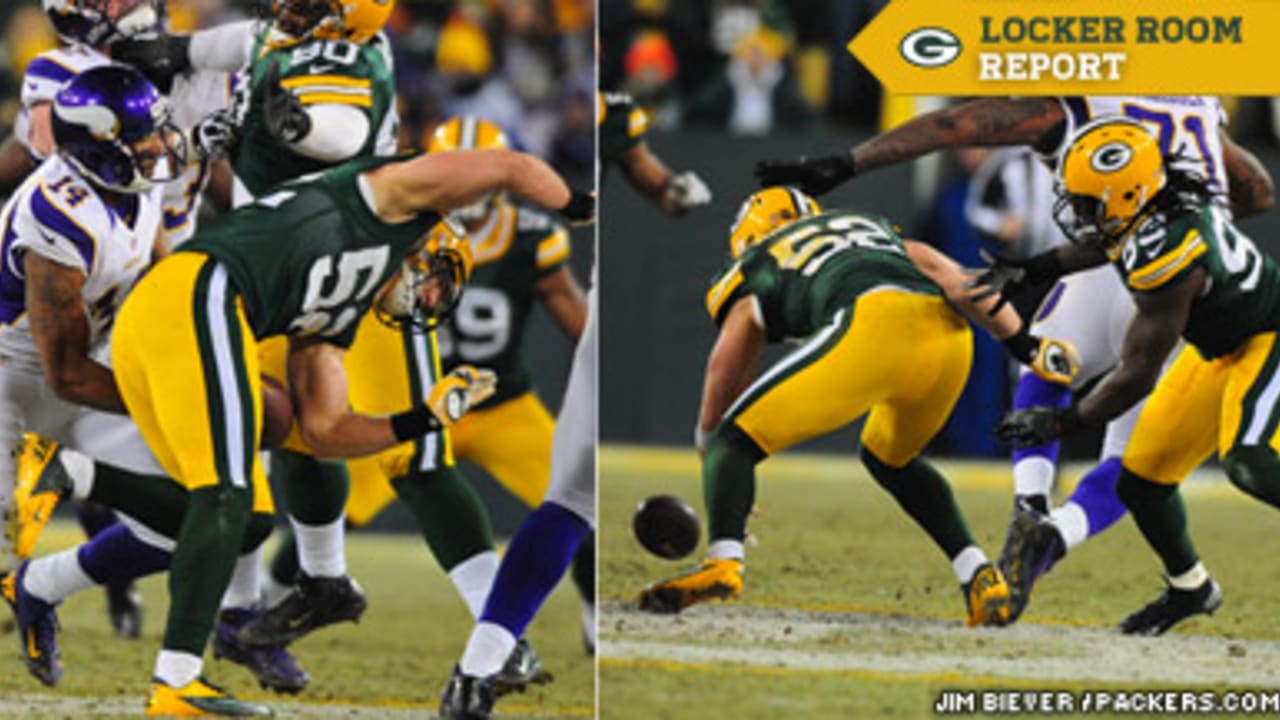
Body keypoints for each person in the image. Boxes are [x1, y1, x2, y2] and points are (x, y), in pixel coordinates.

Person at [15, 142, 592, 716]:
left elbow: (323, 433)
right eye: (437, 278)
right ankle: (176, 684)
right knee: (226, 494)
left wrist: (424, 417)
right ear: (426, 245)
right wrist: (575, 203)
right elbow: (510, 165)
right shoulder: (389, 200)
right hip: (200, 293)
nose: (432, 296)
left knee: (244, 520)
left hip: (186, 312)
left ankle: (65, 502)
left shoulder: (341, 312)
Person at [755, 95, 1274, 621]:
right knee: (1135, 464)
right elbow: (1254, 192)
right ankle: (1081, 544)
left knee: (1067, 376)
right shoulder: (1189, 119)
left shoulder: (1091, 102)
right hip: (1193, 299)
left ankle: (1030, 509)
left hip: (1204, 301)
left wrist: (847, 163)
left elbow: (955, 123)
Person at [634, 186, 1078, 624]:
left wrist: (711, 444)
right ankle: (981, 577)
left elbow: (727, 363)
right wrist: (1026, 345)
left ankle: (723, 564)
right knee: (893, 459)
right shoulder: (872, 227)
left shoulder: (757, 260)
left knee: (733, 441)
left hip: (872, 326)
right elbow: (959, 282)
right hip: (948, 342)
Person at [991, 117, 1280, 635]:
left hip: (1270, 337)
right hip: (1222, 347)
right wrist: (1033, 268)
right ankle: (1191, 587)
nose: (1077, 213)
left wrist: (1061, 423)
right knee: (1142, 481)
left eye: (1087, 204)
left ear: (1126, 196)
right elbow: (1107, 243)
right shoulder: (1152, 207)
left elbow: (1137, 375)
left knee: (1252, 464)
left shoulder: (1169, 258)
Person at [0, 64, 185, 686]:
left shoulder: (138, 180)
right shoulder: (57, 214)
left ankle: (43, 586)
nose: (158, 148)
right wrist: (170, 403)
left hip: (93, 365)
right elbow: (66, 374)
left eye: (157, 133)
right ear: (96, 151)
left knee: (184, 519)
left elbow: (161, 284)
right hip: (18, 377)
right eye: (142, 140)